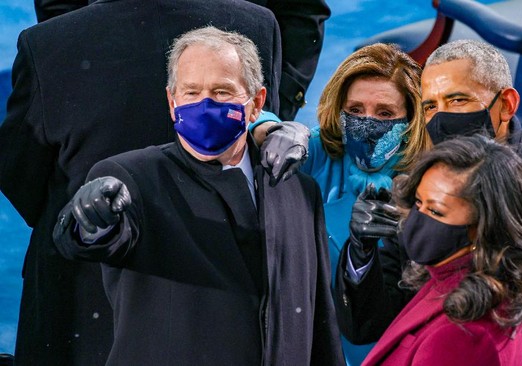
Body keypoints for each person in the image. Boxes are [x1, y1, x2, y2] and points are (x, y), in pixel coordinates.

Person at [0, 1, 282, 364]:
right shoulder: (255, 25)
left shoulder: (47, 42)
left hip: (84, 308)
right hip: (222, 302)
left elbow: (21, 174)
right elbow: (254, 150)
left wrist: (84, 220)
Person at [51, 26, 344, 365]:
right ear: (171, 101)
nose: (205, 105)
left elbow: (320, 321)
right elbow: (92, 239)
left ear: (256, 103)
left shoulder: (298, 190)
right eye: (191, 92)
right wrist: (90, 220)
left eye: (221, 92)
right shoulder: (133, 178)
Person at [334, 39, 522, 366]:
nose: (441, 119)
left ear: (507, 105)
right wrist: (361, 253)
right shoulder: (420, 188)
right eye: (430, 106)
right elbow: (367, 326)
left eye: (458, 100)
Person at [276, 42, 428, 366]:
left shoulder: (428, 182)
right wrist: (268, 128)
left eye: (385, 113)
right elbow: (239, 147)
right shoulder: (318, 152)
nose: (367, 123)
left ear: (411, 119)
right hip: (310, 341)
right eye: (355, 110)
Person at [362, 135, 522, 365]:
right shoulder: (460, 281)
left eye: (436, 212)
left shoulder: (462, 335)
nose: (416, 218)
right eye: (418, 202)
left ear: (483, 227)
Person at [34, 0, 331, 121]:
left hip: (229, 107)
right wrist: (71, 72)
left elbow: (302, 13)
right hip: (108, 102)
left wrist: (269, 107)